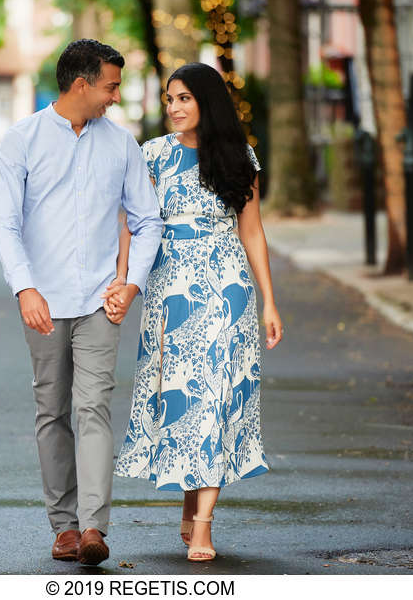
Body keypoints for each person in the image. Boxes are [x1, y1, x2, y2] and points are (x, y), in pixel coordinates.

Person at [0, 39, 163, 566]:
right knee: (53, 411)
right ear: (82, 83)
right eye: (111, 85)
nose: (116, 95)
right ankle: (63, 526)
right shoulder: (21, 140)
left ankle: (93, 528)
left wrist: (130, 283)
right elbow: (7, 221)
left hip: (98, 301)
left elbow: (148, 218)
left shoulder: (122, 144)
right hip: (42, 300)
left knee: (93, 408)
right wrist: (24, 287)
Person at [104, 62, 283, 562]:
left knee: (217, 397)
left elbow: (252, 232)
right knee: (183, 398)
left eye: (183, 98)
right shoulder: (152, 155)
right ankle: (191, 502)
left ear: (207, 101)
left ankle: (203, 525)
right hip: (169, 291)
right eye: (168, 100)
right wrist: (123, 282)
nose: (174, 108)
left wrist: (269, 301)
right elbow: (132, 226)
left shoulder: (238, 157)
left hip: (227, 290)